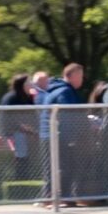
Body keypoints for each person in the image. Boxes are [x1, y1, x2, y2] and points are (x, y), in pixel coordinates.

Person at [39, 63, 85, 202]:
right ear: (71, 76)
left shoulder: (55, 89)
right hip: (59, 136)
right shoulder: (65, 91)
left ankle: (50, 198)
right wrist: (72, 139)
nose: (82, 79)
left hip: (49, 135)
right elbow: (68, 115)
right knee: (65, 167)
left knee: (52, 168)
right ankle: (62, 198)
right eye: (80, 76)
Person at [0, 74, 38, 181]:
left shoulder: (29, 98)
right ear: (22, 85)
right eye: (28, 82)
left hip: (28, 132)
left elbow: (34, 117)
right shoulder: (10, 98)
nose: (31, 84)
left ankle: (38, 173)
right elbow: (7, 121)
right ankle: (21, 177)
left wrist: (34, 130)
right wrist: (22, 127)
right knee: (20, 139)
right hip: (11, 134)